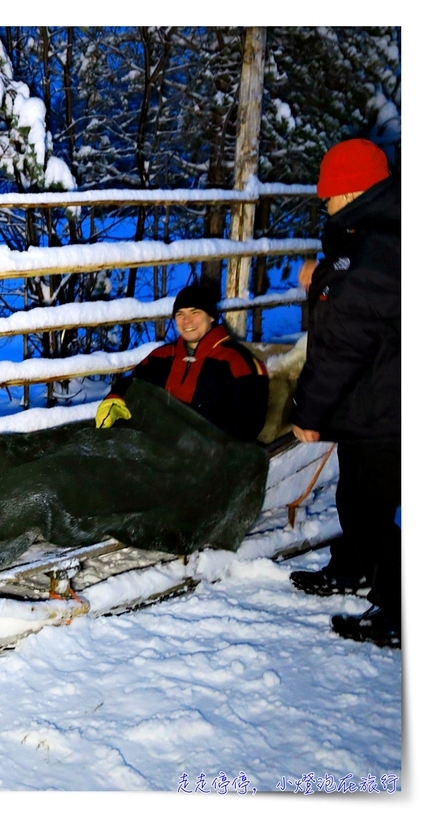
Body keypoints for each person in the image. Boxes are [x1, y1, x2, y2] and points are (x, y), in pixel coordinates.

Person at [287, 138, 400, 648]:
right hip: (378, 395)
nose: (324, 204)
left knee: (369, 506)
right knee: (355, 493)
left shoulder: (375, 248)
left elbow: (343, 341)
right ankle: (354, 569)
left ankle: (399, 609)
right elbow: (348, 295)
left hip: (385, 402)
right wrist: (324, 282)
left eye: (328, 196)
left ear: (352, 190)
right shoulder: (376, 235)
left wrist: (307, 410)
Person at [95, 284, 270, 443]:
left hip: (211, 453)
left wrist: (194, 437)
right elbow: (134, 383)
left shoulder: (238, 362)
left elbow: (248, 424)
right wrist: (115, 398)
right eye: (180, 314)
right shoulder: (161, 356)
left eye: (195, 312)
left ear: (211, 317)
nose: (187, 321)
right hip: (158, 445)